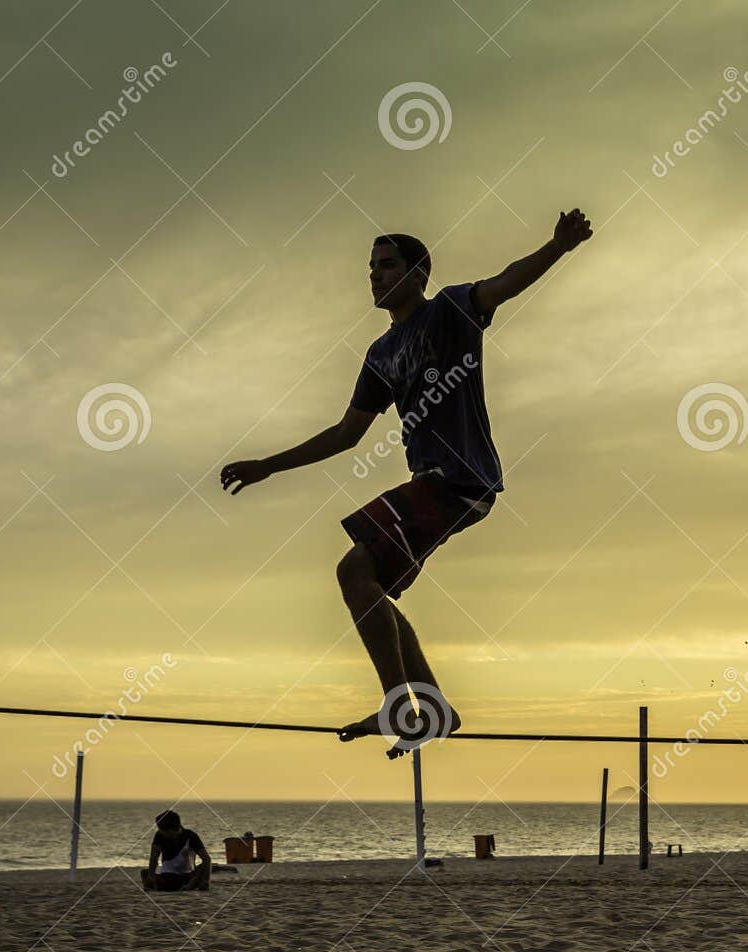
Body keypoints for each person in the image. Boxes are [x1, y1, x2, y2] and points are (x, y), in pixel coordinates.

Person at [220, 212, 595, 757]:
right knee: (366, 583)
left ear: (418, 273)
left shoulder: (449, 311)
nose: (374, 275)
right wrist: (269, 466)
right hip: (436, 485)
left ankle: (400, 708)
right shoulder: (380, 355)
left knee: (354, 567)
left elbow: (505, 282)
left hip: (461, 477)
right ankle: (434, 707)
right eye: (370, 267)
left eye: (387, 265)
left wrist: (557, 247)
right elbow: (348, 434)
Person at [142, 810, 211, 892]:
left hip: (187, 876)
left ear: (172, 829)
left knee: (202, 867)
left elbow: (206, 859)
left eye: (163, 830)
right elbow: (154, 858)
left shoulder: (191, 836)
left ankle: (189, 885)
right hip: (167, 877)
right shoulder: (159, 836)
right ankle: (185, 886)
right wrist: (151, 876)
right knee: (144, 873)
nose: (161, 832)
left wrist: (205, 881)